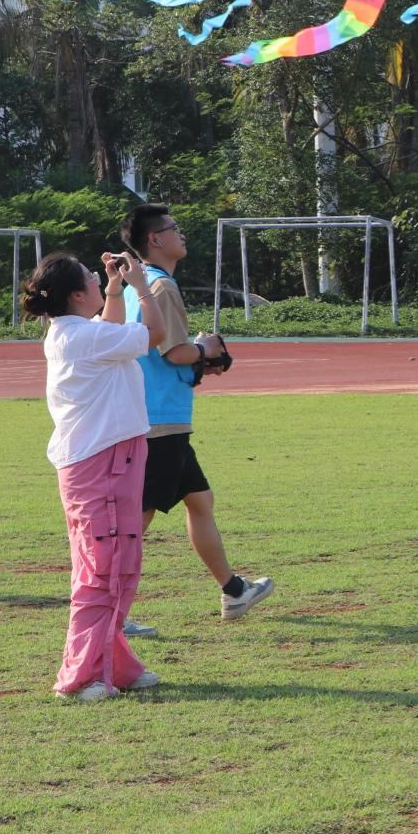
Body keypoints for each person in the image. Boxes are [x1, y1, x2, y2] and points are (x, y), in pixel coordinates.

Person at [118, 204, 274, 629]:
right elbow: (174, 352)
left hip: (155, 414)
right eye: (174, 228)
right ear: (155, 239)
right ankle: (111, 613)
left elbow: (154, 352)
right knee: (136, 520)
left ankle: (234, 591)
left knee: (199, 500)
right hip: (159, 420)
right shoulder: (160, 285)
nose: (181, 234)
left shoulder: (135, 285)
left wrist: (200, 361)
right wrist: (206, 349)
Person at [25, 250, 166, 701]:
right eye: (90, 276)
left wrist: (113, 288)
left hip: (106, 458)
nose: (97, 278)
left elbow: (111, 328)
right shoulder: (82, 337)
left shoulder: (76, 332)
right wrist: (143, 287)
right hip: (102, 462)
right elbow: (155, 334)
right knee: (102, 569)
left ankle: (116, 665)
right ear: (75, 295)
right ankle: (80, 677)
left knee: (114, 565)